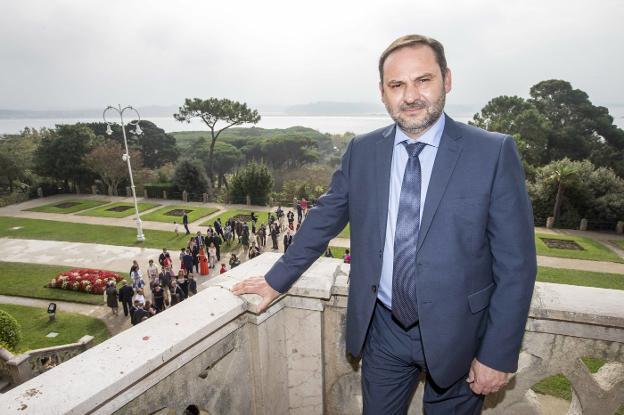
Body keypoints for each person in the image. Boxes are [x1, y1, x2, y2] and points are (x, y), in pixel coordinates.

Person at [232, 34, 537, 414]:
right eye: (397, 85)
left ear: (447, 79)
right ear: (382, 92)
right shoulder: (363, 150)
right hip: (384, 332)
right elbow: (324, 217)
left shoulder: (492, 152)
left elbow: (517, 265)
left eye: (423, 80)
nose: (410, 96)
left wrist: (498, 354)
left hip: (461, 337)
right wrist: (277, 279)